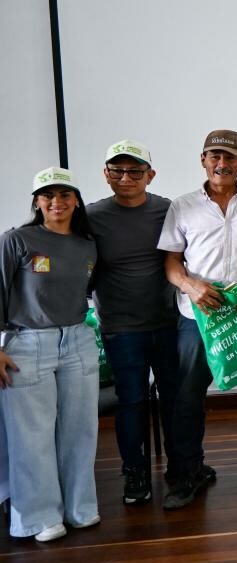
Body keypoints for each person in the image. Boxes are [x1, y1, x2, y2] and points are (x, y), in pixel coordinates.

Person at [158, 130, 237, 509]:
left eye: (230, 157)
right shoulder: (182, 206)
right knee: (187, 397)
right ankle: (189, 473)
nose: (222, 163)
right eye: (214, 156)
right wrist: (189, 285)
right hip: (197, 319)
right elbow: (170, 259)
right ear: (202, 160)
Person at [0, 167, 99, 542]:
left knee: (80, 431)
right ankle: (39, 517)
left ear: (75, 200)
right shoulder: (17, 240)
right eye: (47, 196)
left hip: (77, 341)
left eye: (64, 195)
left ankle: (80, 507)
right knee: (31, 437)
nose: (56, 202)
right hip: (27, 345)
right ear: (37, 202)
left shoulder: (87, 244)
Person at [88, 140, 180, 505]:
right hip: (121, 328)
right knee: (132, 402)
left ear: (150, 175)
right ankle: (135, 472)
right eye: (118, 170)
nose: (126, 178)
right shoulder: (91, 217)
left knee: (176, 399)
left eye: (135, 171)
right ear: (106, 175)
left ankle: (183, 465)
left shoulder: (166, 210)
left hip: (168, 322)